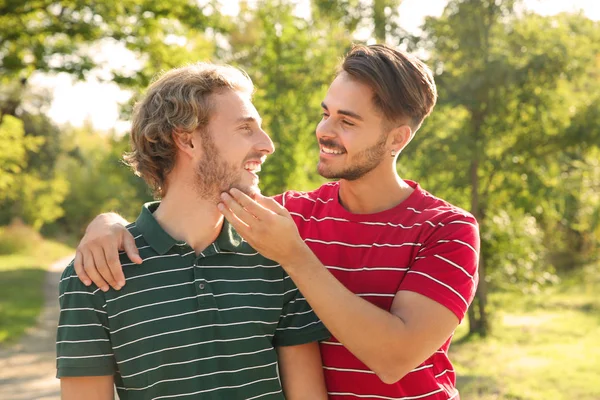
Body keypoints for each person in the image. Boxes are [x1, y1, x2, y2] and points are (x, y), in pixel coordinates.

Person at [74, 44, 480, 399]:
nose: (324, 131)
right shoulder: (289, 217)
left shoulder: (446, 229)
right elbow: (193, 199)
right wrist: (108, 225)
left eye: (347, 121)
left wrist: (296, 256)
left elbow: (394, 360)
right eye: (326, 114)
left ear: (397, 139)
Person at [56, 63, 330, 400]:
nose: (267, 144)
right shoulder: (96, 272)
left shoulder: (277, 256)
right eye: (246, 128)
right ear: (187, 140)